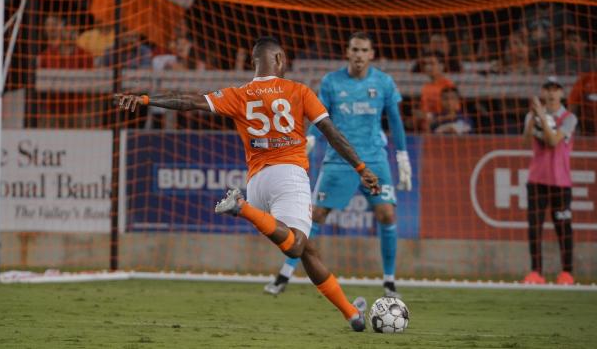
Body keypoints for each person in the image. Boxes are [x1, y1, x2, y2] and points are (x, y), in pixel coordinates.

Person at [115, 36, 378, 331]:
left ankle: (352, 315)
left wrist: (147, 99)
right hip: (288, 174)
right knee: (297, 247)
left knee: (308, 251)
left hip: (257, 183)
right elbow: (331, 132)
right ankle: (241, 208)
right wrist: (361, 167)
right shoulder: (299, 91)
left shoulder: (239, 94)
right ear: (279, 59)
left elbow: (189, 102)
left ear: (254, 62)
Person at [264, 32, 413, 298]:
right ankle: (284, 275)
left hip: (375, 160)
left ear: (371, 54)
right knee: (314, 217)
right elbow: (321, 116)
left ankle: (390, 282)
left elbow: (395, 121)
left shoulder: (384, 82)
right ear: (347, 52)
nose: (358, 55)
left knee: (387, 215)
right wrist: (309, 136)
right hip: (338, 160)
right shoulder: (332, 82)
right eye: (354, 49)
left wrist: (402, 157)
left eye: (363, 50)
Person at [522, 77, 577, 285]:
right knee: (534, 227)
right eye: (548, 89)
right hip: (537, 179)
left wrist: (542, 118)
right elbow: (526, 141)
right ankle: (536, 272)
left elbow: (553, 141)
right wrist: (532, 119)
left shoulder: (569, 118)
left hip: (561, 182)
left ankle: (567, 272)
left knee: (563, 227)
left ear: (562, 93)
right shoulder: (532, 115)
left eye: (556, 89)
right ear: (543, 93)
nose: (552, 93)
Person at [412, 50, 456, 132]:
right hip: (425, 127)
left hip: (441, 126)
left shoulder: (448, 85)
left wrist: (430, 117)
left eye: (432, 64)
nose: (428, 67)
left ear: (441, 66)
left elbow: (453, 114)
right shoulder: (426, 87)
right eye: (426, 64)